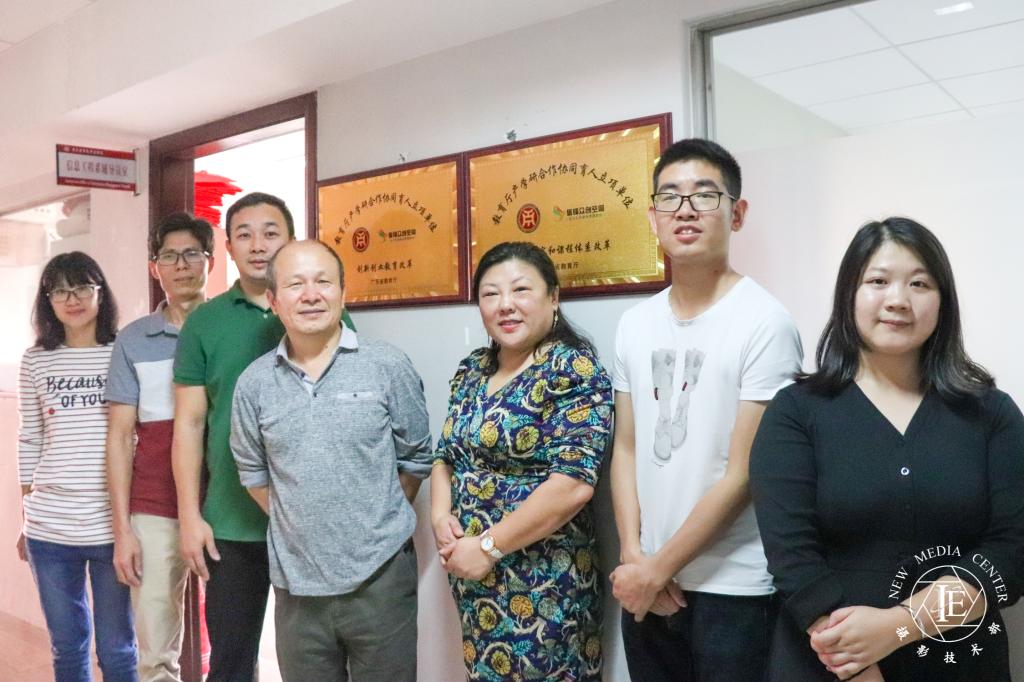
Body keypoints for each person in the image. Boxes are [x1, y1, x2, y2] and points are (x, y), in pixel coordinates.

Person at [749, 217, 1024, 681]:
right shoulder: (796, 411)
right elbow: (792, 558)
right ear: (849, 294)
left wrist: (901, 626)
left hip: (959, 662)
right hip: (827, 662)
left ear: (943, 302)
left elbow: (1011, 553)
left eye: (919, 283)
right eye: (878, 281)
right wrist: (856, 664)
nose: (898, 299)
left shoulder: (991, 413)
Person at [608, 138, 803, 681]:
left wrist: (658, 568)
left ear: (737, 214)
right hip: (646, 582)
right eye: (669, 196)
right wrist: (634, 557)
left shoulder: (765, 323)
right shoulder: (634, 324)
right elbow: (626, 448)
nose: (685, 209)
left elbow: (744, 473)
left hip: (732, 587)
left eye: (704, 195)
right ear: (653, 217)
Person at [172, 192, 353, 680]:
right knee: (231, 661)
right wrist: (190, 516)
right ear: (228, 247)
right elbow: (189, 424)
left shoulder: (323, 311)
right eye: (244, 234)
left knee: (317, 662)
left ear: (290, 239)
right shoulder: (204, 322)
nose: (258, 245)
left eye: (270, 233)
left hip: (314, 523)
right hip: (232, 524)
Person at [230, 240, 430, 681]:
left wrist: (372, 518)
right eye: (295, 285)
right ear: (273, 300)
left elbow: (416, 457)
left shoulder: (387, 365)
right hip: (297, 587)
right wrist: (304, 524)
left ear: (343, 292)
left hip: (381, 579)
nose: (311, 295)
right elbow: (252, 472)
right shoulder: (254, 384)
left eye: (323, 281)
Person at [431, 241, 613, 681]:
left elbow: (573, 485)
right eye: (490, 294)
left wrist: (489, 548)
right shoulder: (473, 368)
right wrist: (439, 517)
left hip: (544, 583)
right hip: (474, 579)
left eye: (520, 290)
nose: (505, 305)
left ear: (553, 297)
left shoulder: (572, 370)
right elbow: (445, 456)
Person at [17, 251, 138, 682]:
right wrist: (26, 516)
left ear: (100, 293)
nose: (72, 299)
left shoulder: (123, 351)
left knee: (117, 649)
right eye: (60, 291)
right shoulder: (36, 360)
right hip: (49, 529)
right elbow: (30, 438)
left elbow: (135, 435)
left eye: (83, 287)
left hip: (111, 527)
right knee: (68, 647)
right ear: (47, 300)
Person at [105, 213, 214, 682]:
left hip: (226, 504)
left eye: (192, 254)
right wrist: (122, 529)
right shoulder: (133, 340)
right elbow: (118, 437)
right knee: (154, 653)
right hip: (154, 506)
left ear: (210, 261)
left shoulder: (230, 328)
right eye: (169, 256)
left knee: (234, 642)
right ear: (155, 267)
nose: (181, 265)